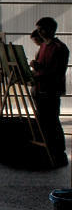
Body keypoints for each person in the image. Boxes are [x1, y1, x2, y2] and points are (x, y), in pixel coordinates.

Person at [30, 17, 69, 165]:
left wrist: (38, 69)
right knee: (45, 122)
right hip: (41, 90)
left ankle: (57, 153)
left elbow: (56, 72)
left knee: (51, 122)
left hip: (50, 91)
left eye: (41, 29)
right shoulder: (44, 46)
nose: (39, 32)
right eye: (39, 29)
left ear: (50, 29)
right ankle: (49, 152)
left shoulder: (59, 48)